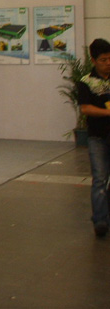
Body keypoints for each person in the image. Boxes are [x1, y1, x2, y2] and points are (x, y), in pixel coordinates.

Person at [77, 38, 110, 238]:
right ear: (94, 60)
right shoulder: (86, 82)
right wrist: (107, 113)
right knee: (99, 178)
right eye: (103, 60)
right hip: (97, 137)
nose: (108, 63)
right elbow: (85, 108)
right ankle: (99, 220)